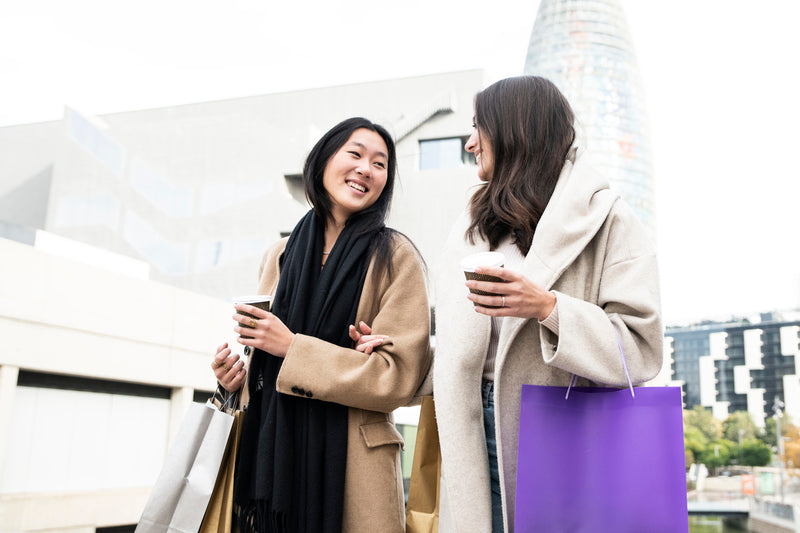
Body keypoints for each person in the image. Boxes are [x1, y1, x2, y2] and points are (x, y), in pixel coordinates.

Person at [357, 76, 664, 532]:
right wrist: (401, 354)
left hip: (564, 438)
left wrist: (547, 307)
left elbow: (641, 348)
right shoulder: (473, 223)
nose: (468, 143)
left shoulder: (608, 218)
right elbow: (476, 353)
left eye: (478, 127)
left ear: (514, 129)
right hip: (468, 434)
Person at [211, 117, 431, 533]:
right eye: (355, 153)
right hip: (268, 469)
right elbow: (264, 369)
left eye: (380, 163)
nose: (366, 168)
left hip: (354, 471)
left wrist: (293, 348)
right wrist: (232, 381)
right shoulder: (279, 256)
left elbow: (396, 379)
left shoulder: (395, 257)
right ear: (323, 161)